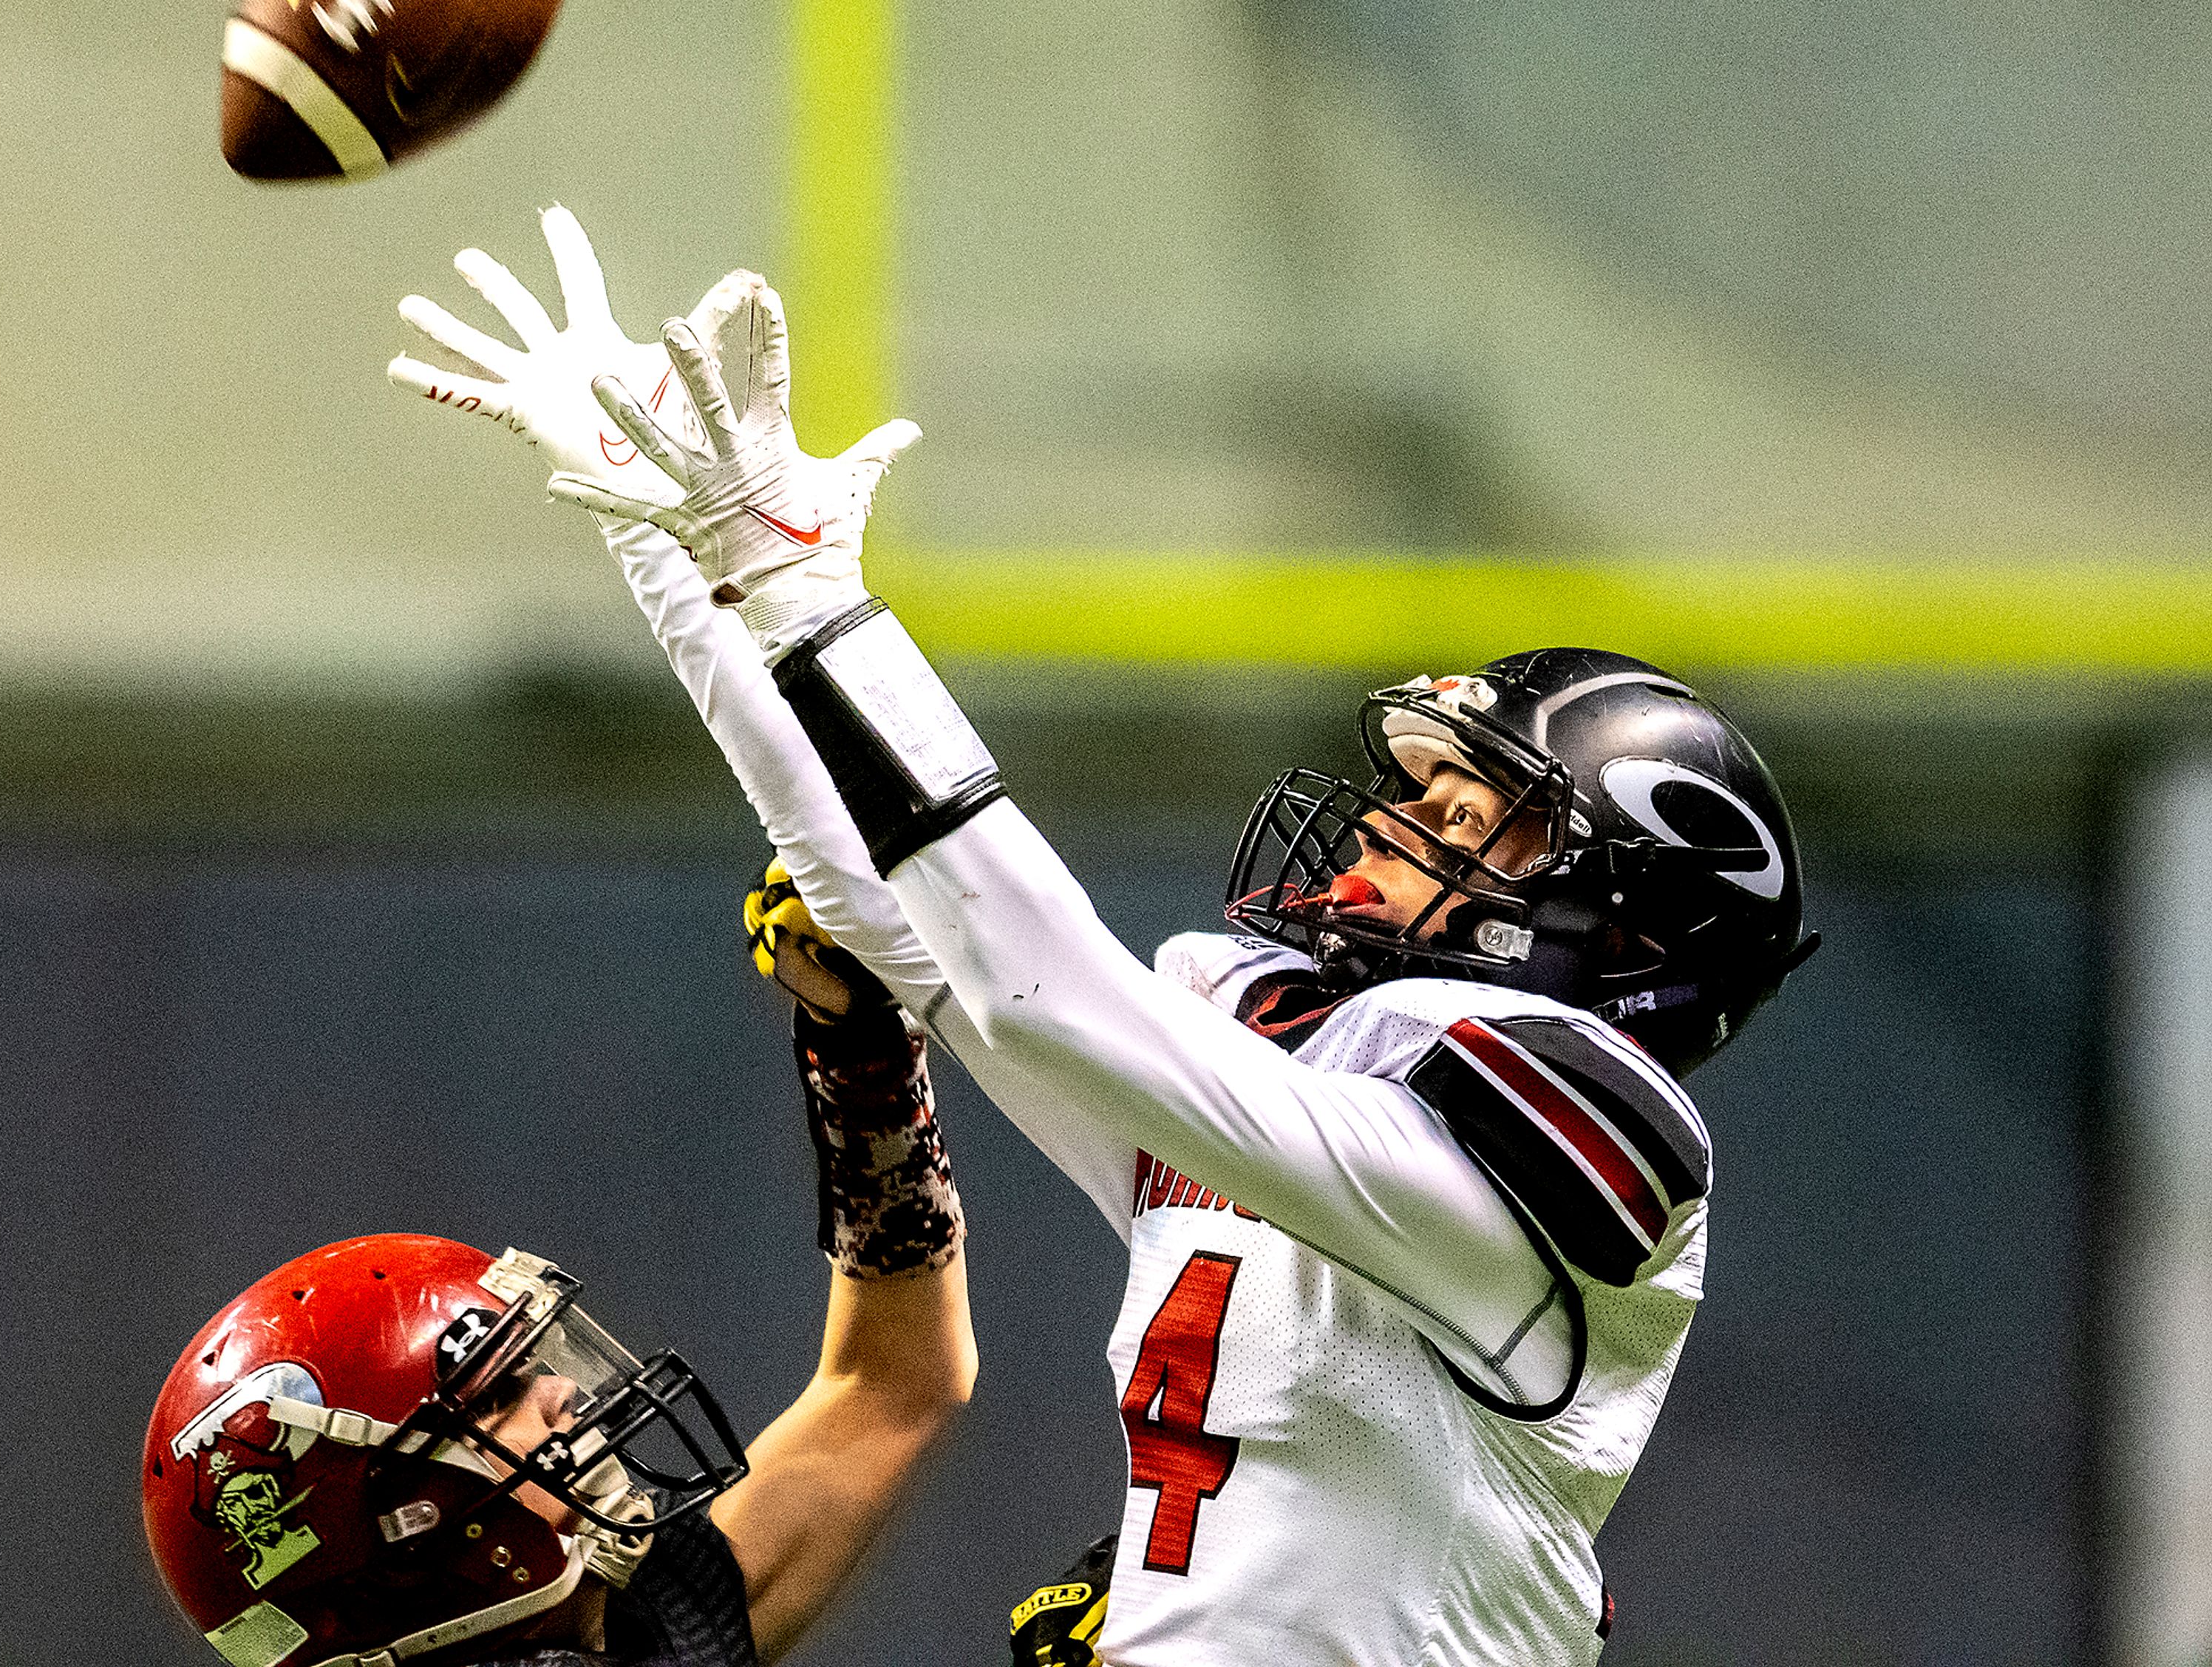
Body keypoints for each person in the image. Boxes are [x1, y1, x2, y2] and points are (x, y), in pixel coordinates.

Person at [388, 211, 1820, 1665]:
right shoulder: (1290, 1061)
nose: (1395, 819)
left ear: (1620, 917)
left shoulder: (1562, 1122)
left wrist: (814, 588)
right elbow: (897, 912)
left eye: (1465, 808)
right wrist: (671, 532)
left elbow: (1045, 988)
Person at [139, 949, 976, 1667]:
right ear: (407, 1537)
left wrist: (863, 1055)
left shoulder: (632, 1624)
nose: (563, 1395)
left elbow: (890, 1382)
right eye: (498, 1397)